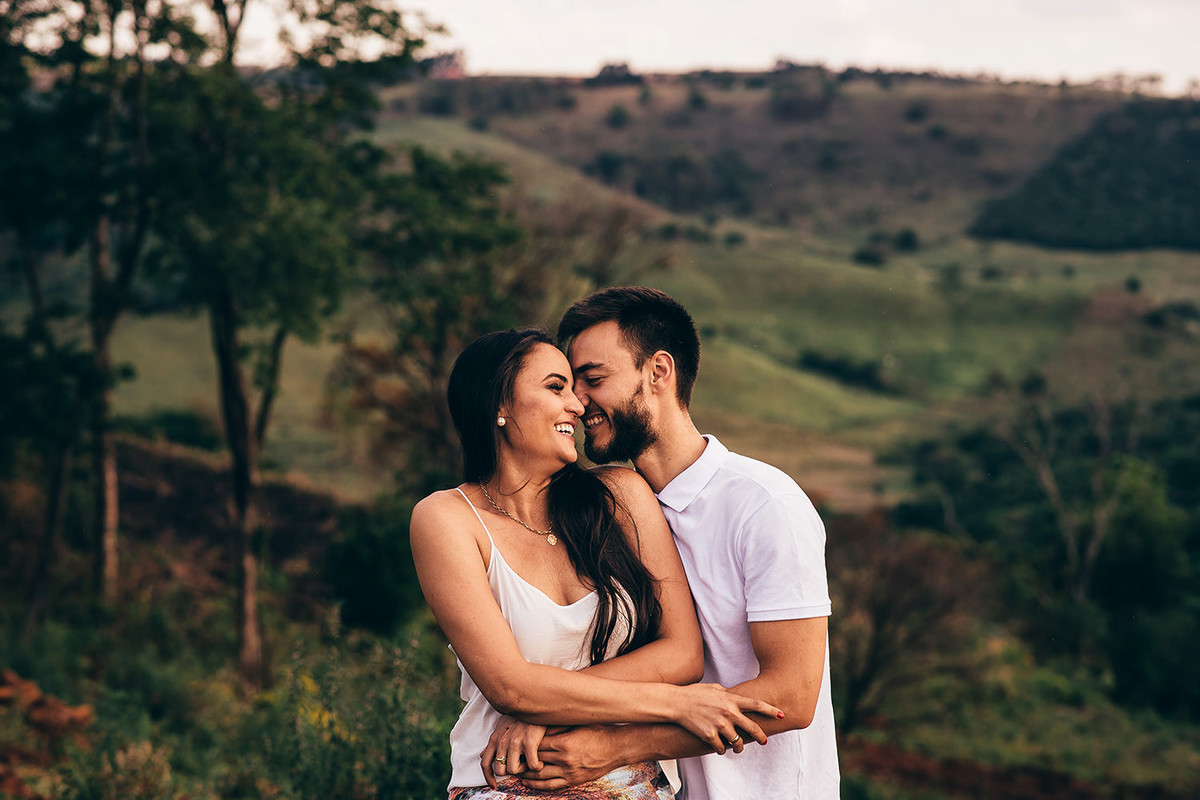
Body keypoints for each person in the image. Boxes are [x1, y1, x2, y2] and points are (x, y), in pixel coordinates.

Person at [489, 288, 840, 799]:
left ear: (658, 371)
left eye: (593, 380)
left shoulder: (763, 504)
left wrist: (612, 747)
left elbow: (792, 695)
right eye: (569, 385)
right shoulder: (614, 513)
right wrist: (548, 708)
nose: (577, 402)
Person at [409, 328, 785, 799]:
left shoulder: (620, 495)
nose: (577, 405)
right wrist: (675, 704)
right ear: (498, 404)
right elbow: (512, 688)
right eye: (556, 387)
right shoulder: (446, 519)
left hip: (630, 776)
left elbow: (682, 653)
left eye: (576, 388)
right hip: (508, 778)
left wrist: (548, 709)